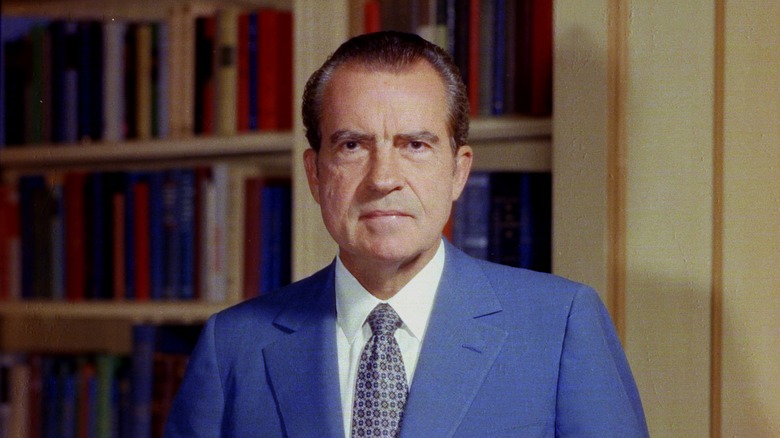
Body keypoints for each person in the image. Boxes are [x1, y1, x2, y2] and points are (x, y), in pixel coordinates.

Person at [165, 31, 649, 437]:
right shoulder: (231, 346)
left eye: (415, 145)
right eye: (352, 145)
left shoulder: (560, 328)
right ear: (315, 175)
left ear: (458, 173)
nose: (382, 178)